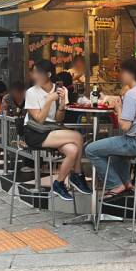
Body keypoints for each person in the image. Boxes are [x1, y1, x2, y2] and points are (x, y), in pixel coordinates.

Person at [85, 58, 136, 197]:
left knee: (90, 150)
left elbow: (125, 126)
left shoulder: (132, 94)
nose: (120, 75)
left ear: (130, 73)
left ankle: (115, 185)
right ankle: (126, 183)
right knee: (116, 152)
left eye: (122, 72)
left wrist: (119, 108)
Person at [23, 60, 91, 200]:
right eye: (33, 72)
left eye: (37, 72)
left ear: (48, 74)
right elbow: (39, 119)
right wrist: (49, 100)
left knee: (73, 150)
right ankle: (77, 175)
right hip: (35, 132)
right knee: (78, 137)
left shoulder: (61, 90)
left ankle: (59, 183)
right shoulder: (31, 92)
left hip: (53, 129)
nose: (34, 75)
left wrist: (61, 105)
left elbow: (59, 119)